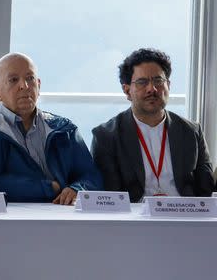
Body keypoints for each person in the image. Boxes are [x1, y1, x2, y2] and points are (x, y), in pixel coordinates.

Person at [0, 53, 102, 204]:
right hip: (13, 219)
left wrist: (77, 189)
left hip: (65, 216)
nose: (25, 86)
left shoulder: (64, 128)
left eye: (30, 78)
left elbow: (91, 176)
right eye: (13, 80)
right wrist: (49, 188)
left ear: (39, 85)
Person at [91, 48, 215, 201]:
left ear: (168, 85)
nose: (152, 89)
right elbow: (110, 198)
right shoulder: (106, 136)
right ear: (127, 90)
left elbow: (206, 191)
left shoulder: (191, 131)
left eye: (158, 81)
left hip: (184, 217)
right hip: (134, 219)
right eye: (142, 82)